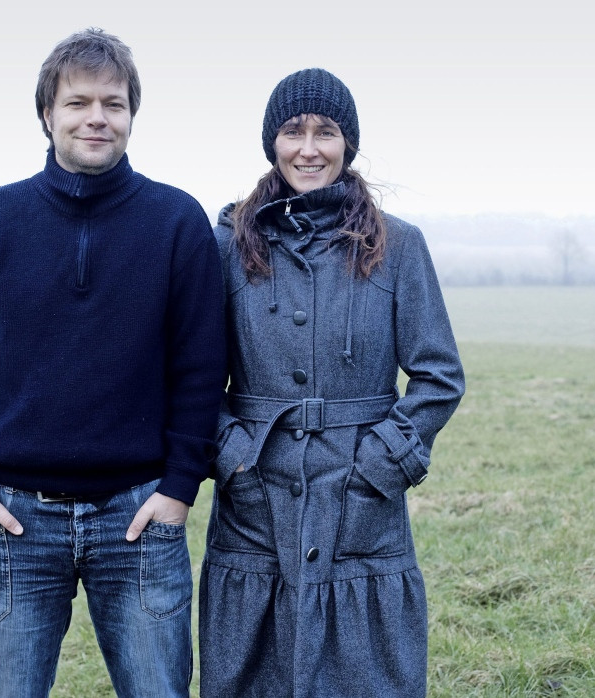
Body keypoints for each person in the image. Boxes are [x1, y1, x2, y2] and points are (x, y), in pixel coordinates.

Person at [0, 27, 225, 698]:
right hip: (13, 521)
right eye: (79, 103)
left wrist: (179, 488)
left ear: (131, 116)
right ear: (47, 114)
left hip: (139, 518)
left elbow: (201, 367)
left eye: (114, 104)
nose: (97, 117)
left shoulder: (176, 222)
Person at [198, 68, 465, 697]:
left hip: (362, 506)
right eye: (294, 131)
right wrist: (233, 455)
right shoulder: (228, 246)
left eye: (326, 132)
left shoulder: (398, 246)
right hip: (256, 504)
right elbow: (191, 378)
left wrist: (381, 463)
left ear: (348, 144)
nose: (309, 148)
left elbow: (439, 374)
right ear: (273, 142)